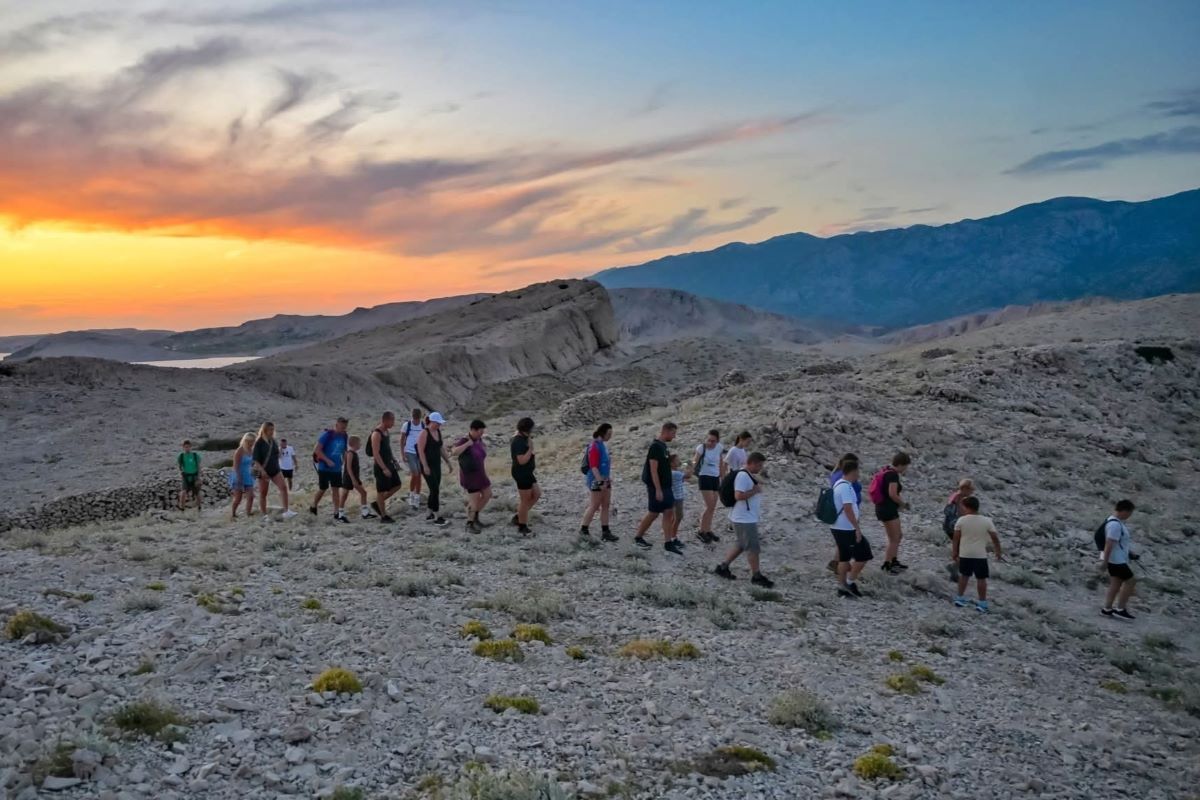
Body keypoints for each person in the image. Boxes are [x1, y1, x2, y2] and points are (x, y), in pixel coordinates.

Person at [714, 452, 773, 586]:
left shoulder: (745, 475)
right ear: (751, 463)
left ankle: (722, 568)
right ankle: (756, 576)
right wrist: (755, 491)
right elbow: (738, 496)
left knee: (741, 544)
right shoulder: (742, 476)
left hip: (744, 517)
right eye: (759, 465)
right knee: (753, 548)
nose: (760, 468)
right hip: (744, 518)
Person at [634, 422, 681, 554]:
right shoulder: (655, 447)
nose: (674, 436)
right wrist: (658, 489)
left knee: (668, 512)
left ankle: (668, 542)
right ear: (665, 431)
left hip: (666, 486)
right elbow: (653, 469)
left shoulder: (663, 447)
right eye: (673, 433)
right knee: (653, 513)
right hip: (657, 487)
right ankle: (638, 537)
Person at [952, 496, 1004, 613]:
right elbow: (995, 538)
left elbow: (956, 538)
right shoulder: (987, 521)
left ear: (966, 507)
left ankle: (960, 598)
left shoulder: (961, 520)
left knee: (964, 576)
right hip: (980, 554)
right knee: (981, 579)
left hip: (965, 553)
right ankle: (982, 603)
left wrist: (955, 552)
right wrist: (998, 552)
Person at [831, 458, 871, 598]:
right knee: (864, 555)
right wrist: (857, 528)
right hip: (847, 528)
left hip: (838, 526)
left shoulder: (838, 484)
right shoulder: (846, 487)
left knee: (844, 557)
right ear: (853, 472)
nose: (858, 475)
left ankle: (842, 586)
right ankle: (849, 582)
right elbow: (848, 509)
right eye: (857, 472)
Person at [874, 452, 912, 574]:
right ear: (900, 464)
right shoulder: (893, 475)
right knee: (894, 538)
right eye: (905, 466)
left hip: (885, 508)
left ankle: (894, 561)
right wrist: (903, 504)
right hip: (887, 509)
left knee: (898, 536)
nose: (905, 469)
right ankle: (887, 564)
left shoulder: (887, 471)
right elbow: (892, 494)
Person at [1101, 499, 1138, 621]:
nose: (1129, 516)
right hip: (1116, 560)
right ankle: (1120, 609)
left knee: (1116, 583)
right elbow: (1109, 544)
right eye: (1129, 513)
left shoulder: (1113, 522)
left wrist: (1129, 553)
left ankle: (1107, 609)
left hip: (1116, 559)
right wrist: (1105, 562)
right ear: (1124, 511)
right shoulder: (1115, 525)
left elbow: (1117, 543)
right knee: (1131, 581)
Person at [453, 420, 492, 534]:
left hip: (480, 473)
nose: (482, 434)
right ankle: (469, 523)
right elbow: (454, 452)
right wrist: (467, 444)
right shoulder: (465, 440)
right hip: (470, 475)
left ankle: (475, 517)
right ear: (473, 430)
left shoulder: (479, 440)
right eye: (480, 431)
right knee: (474, 500)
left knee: (487, 494)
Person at [580, 423, 617, 541]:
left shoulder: (603, 446)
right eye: (608, 434)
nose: (610, 436)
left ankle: (605, 531)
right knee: (594, 505)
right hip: (596, 480)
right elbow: (594, 466)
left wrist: (607, 478)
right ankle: (583, 529)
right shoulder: (594, 446)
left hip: (605, 479)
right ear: (602, 433)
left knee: (606, 504)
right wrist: (600, 481)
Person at [253, 422, 297, 519]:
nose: (272, 431)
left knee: (283, 487)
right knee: (264, 493)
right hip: (264, 471)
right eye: (270, 430)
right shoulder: (259, 442)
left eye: (273, 429)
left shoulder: (273, 441)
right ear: (265, 430)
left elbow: (277, 454)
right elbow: (256, 460)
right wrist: (262, 471)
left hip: (275, 469)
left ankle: (286, 511)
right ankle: (264, 514)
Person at [827, 453, 862, 573]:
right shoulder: (842, 479)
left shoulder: (836, 475)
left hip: (845, 513)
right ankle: (840, 566)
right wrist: (856, 525)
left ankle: (837, 563)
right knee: (847, 544)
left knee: (842, 543)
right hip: (846, 515)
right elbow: (846, 504)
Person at [312, 417, 350, 523]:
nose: (343, 429)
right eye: (342, 426)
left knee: (336, 489)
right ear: (336, 424)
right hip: (324, 466)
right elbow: (317, 450)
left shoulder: (344, 436)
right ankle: (314, 505)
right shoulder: (327, 435)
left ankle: (337, 512)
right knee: (323, 488)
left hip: (337, 467)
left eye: (345, 427)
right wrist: (327, 460)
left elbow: (344, 449)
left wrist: (344, 459)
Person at [417, 412, 451, 527]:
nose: (439, 425)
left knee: (434, 489)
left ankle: (429, 514)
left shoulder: (438, 432)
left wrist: (448, 462)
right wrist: (425, 466)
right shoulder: (424, 433)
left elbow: (440, 448)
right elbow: (420, 451)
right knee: (435, 489)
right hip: (427, 465)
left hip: (437, 465)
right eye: (437, 423)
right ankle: (437, 516)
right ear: (431, 422)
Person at [368, 411, 401, 524]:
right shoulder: (376, 434)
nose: (393, 423)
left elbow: (387, 448)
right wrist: (384, 468)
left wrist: (394, 460)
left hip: (389, 463)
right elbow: (376, 453)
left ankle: (377, 503)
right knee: (381, 491)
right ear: (386, 420)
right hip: (381, 466)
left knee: (397, 485)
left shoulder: (386, 432)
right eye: (392, 420)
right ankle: (383, 516)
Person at [693, 429, 725, 544]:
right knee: (709, 505)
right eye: (709, 440)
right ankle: (701, 531)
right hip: (704, 477)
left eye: (713, 441)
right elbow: (694, 462)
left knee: (714, 506)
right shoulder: (701, 448)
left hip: (715, 478)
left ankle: (708, 529)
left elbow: (721, 463)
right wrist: (687, 469)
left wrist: (723, 478)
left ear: (717, 441)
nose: (710, 443)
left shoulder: (719, 447)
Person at [510, 417, 540, 535]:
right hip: (521, 473)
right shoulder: (518, 441)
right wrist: (530, 450)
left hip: (528, 472)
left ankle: (519, 517)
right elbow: (521, 460)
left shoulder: (524, 438)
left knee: (537, 494)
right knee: (525, 500)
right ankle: (522, 526)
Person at [943, 478, 976, 580]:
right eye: (971, 489)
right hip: (954, 528)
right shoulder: (959, 498)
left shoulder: (956, 496)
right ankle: (953, 568)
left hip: (951, 527)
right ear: (965, 488)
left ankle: (954, 569)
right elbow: (961, 514)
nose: (972, 492)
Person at [343, 435, 377, 520]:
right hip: (349, 477)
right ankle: (340, 513)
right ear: (354, 444)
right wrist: (353, 479)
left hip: (354, 477)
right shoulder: (350, 453)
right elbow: (348, 467)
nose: (360, 445)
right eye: (359, 443)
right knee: (345, 494)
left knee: (363, 493)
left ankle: (365, 513)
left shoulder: (353, 453)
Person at [400, 409, 426, 510]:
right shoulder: (407, 425)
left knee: (419, 475)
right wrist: (402, 454)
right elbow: (402, 440)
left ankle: (417, 497)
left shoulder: (423, 425)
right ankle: (411, 494)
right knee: (415, 473)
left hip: (420, 452)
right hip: (410, 452)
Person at [230, 433, 256, 520]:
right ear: (245, 441)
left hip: (248, 475)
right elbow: (235, 466)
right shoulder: (239, 451)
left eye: (253, 441)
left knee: (251, 496)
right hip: (238, 475)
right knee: (238, 498)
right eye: (250, 441)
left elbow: (252, 463)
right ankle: (233, 513)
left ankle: (248, 513)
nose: (251, 443)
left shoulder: (251, 451)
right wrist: (239, 477)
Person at [669, 454, 691, 541]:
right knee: (678, 518)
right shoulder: (675, 473)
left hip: (674, 497)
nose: (679, 462)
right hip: (677, 498)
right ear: (671, 463)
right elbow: (688, 475)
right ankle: (673, 537)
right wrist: (691, 466)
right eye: (677, 461)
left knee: (674, 517)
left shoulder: (673, 472)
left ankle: (669, 534)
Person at [177, 440, 201, 512]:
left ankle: (199, 507)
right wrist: (181, 472)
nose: (187, 448)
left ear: (191, 447)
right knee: (183, 492)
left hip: (194, 476)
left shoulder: (195, 455)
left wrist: (199, 478)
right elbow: (180, 466)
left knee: (197, 493)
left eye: (188, 447)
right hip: (185, 476)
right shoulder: (181, 456)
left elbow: (198, 466)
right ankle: (182, 509)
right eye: (185, 447)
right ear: (183, 447)